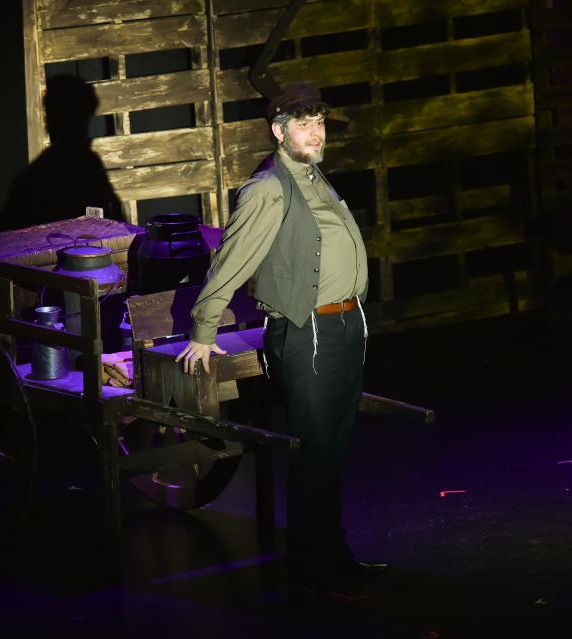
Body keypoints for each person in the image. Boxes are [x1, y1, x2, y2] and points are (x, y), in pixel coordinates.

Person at [175, 83, 386, 604]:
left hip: (344, 326)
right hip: (306, 329)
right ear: (278, 131)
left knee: (334, 449)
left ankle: (333, 553)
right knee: (314, 452)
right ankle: (309, 568)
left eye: (320, 123)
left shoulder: (314, 177)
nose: (315, 133)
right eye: (304, 124)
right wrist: (205, 328)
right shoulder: (269, 187)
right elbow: (231, 259)